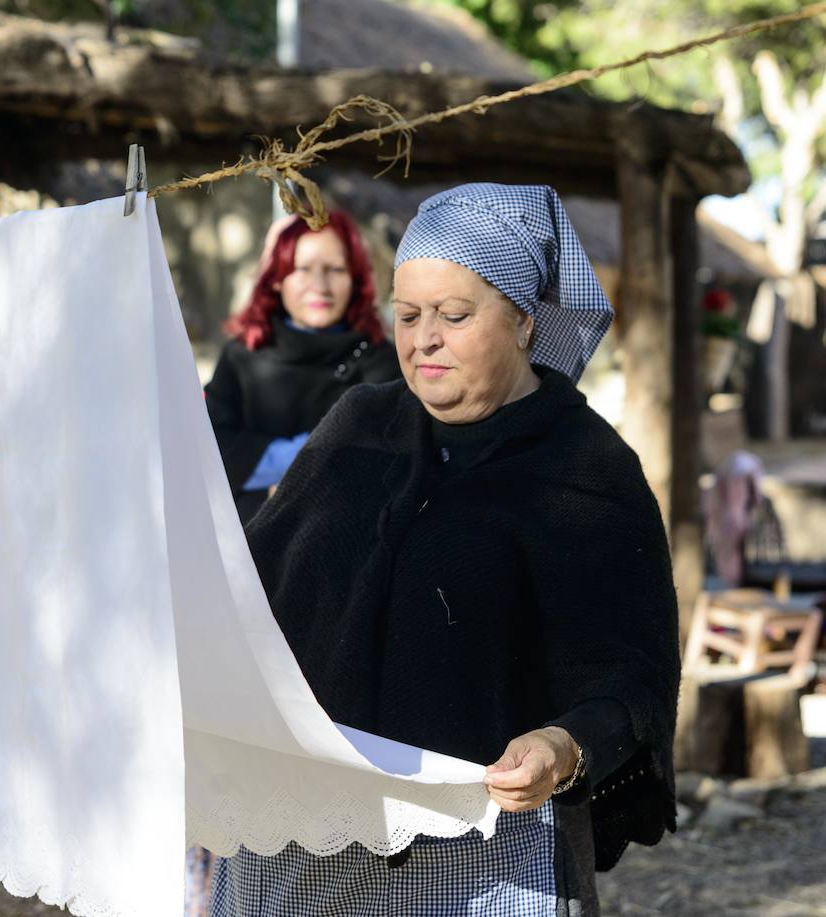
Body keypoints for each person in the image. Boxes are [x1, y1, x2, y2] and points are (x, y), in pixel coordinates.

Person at [210, 184, 682, 916]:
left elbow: (633, 675)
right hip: (306, 838)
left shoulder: (587, 467)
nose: (423, 338)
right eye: (408, 314)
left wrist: (563, 745)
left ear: (524, 321)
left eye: (454, 316)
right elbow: (250, 592)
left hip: (486, 856)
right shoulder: (356, 427)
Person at [204, 211, 400, 523]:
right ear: (278, 279)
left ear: (355, 278)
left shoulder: (381, 361)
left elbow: (376, 460)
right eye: (303, 269)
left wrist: (278, 481)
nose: (319, 285)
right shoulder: (242, 356)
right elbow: (209, 451)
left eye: (335, 269)